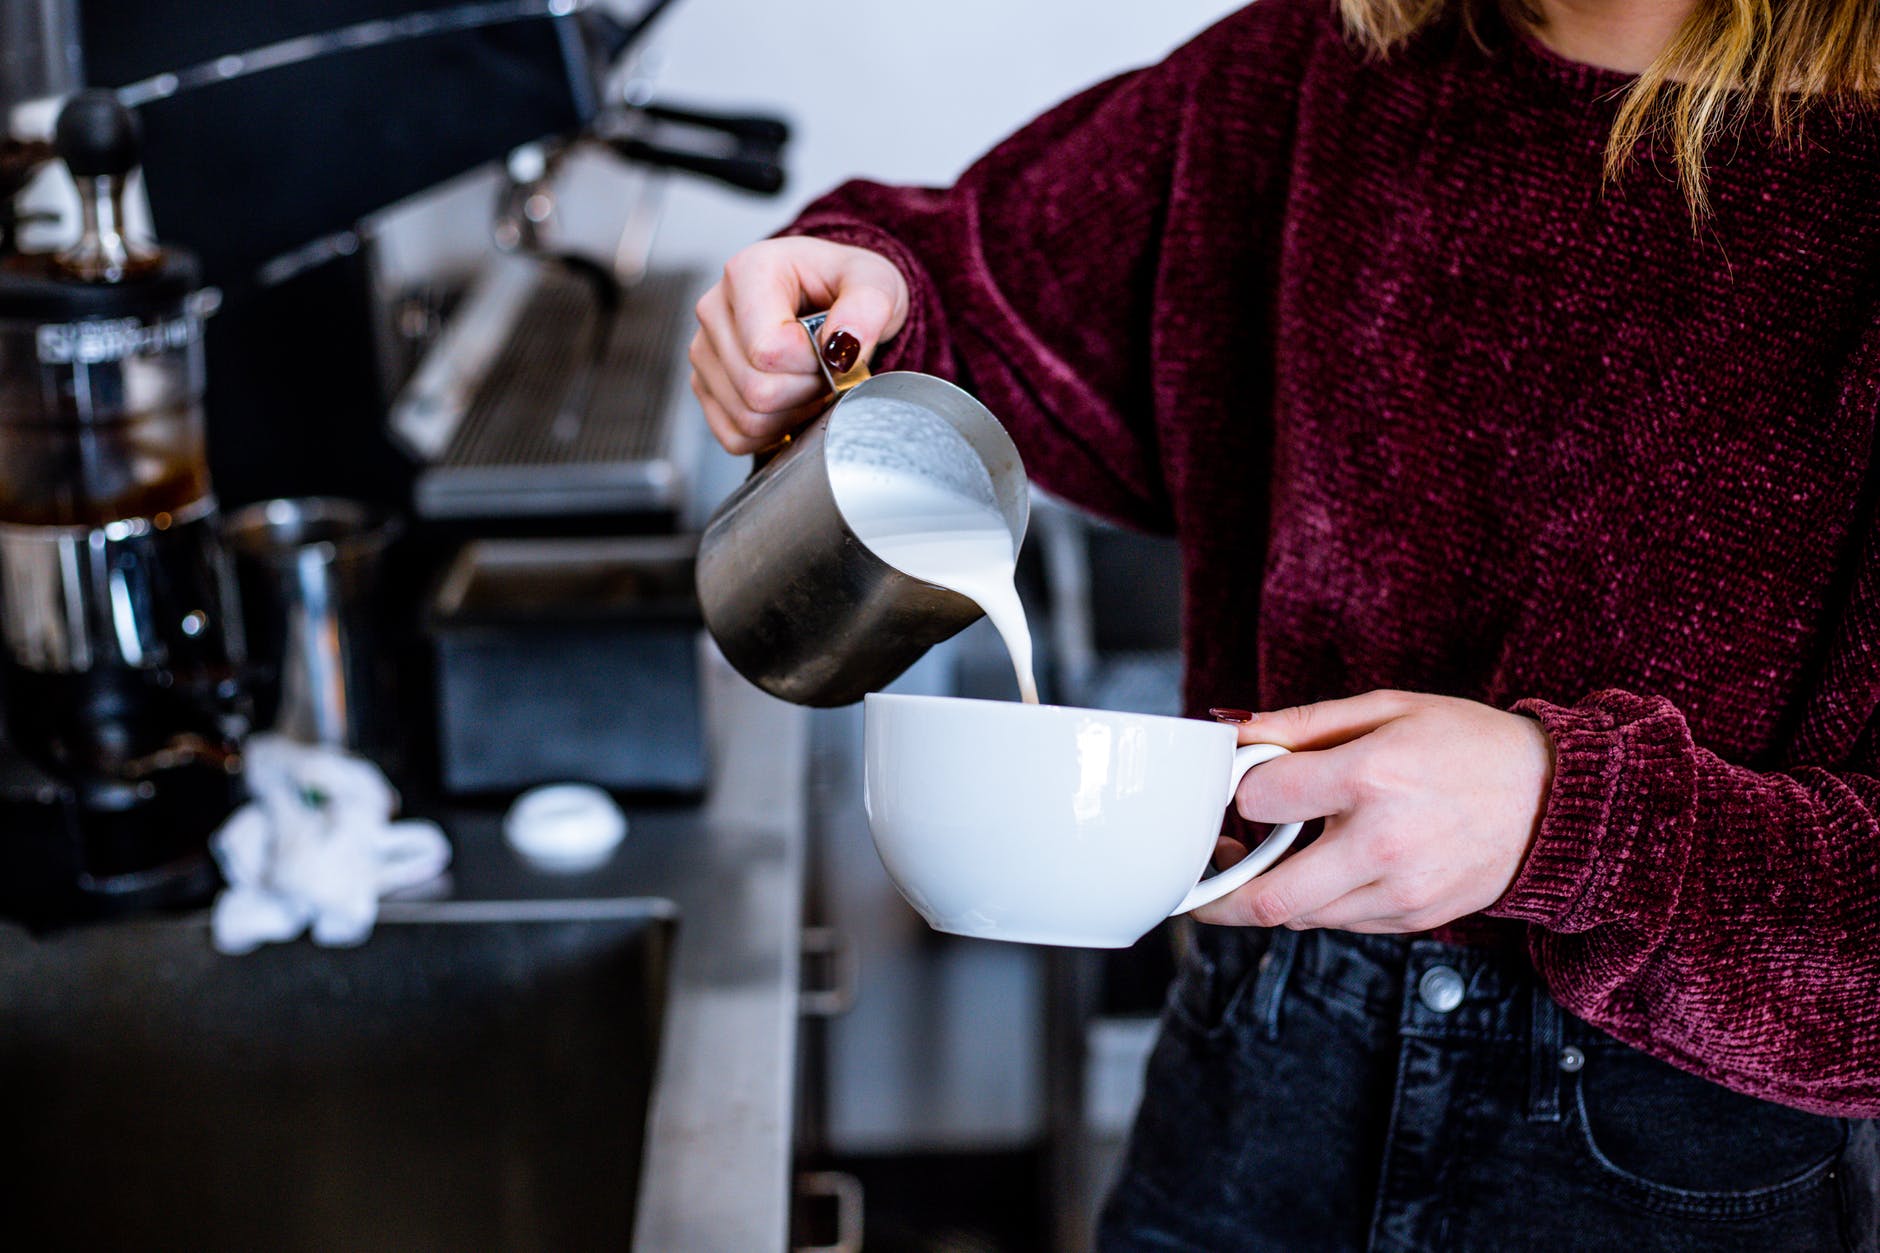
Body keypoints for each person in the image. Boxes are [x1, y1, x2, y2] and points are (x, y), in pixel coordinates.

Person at [689, 0, 1880, 1247]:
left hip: (1677, 1150)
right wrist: (858, 297)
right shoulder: (1318, 71)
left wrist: (1572, 821)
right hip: (1256, 1065)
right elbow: (979, 297)